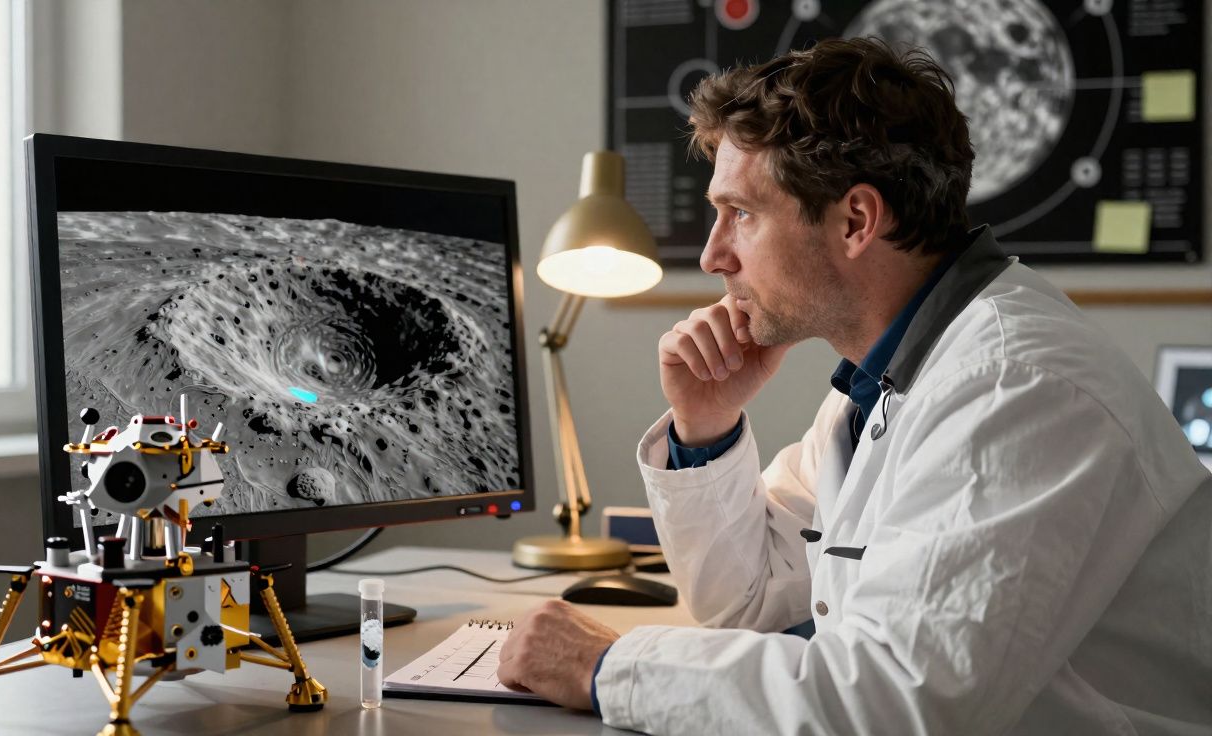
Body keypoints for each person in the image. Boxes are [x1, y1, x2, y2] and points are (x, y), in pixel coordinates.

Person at [496, 37, 1212, 735]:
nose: (713, 254)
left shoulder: (1014, 387)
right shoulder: (886, 379)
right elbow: (751, 602)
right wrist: (705, 429)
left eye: (740, 214)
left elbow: (896, 705)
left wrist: (605, 667)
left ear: (856, 220)